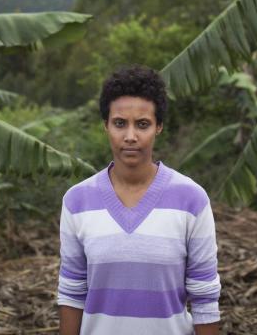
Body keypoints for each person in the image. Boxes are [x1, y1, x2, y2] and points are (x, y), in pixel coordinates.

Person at [56, 65, 221, 335]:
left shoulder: (191, 199)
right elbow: (72, 293)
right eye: (120, 123)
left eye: (142, 124)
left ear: (159, 127)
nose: (130, 136)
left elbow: (204, 297)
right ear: (106, 126)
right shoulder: (77, 201)